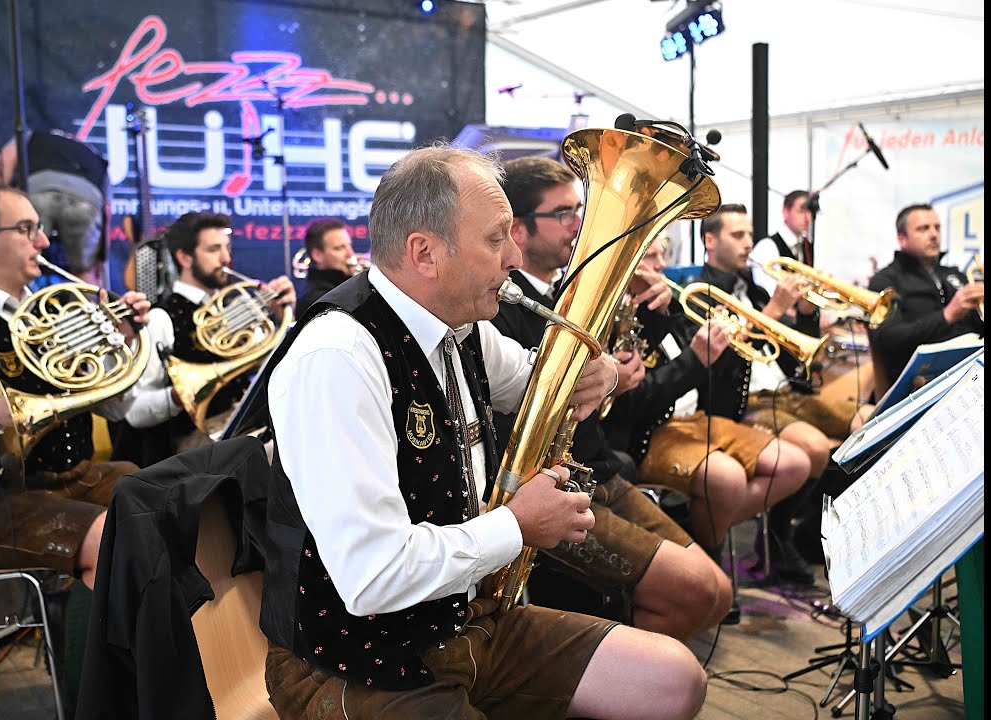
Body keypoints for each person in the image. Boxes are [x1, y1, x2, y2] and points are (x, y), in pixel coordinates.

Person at [255, 144, 707, 720]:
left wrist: (599, 375)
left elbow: (537, 382)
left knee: (674, 681)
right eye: (496, 239)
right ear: (425, 253)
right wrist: (517, 525)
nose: (514, 256)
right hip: (352, 659)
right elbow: (373, 576)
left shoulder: (460, 324)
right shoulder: (338, 356)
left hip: (466, 621)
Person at [493, 155, 730, 639]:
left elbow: (625, 393)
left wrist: (657, 318)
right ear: (518, 229)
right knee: (695, 592)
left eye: (578, 210)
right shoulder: (501, 305)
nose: (578, 225)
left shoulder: (568, 292)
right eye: (563, 213)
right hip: (550, 489)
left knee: (718, 591)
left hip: (597, 471)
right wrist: (605, 380)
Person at [0, 182, 159, 590]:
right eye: (26, 229)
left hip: (69, 481)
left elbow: (116, 409)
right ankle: (96, 632)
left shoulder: (53, 314)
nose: (43, 242)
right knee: (113, 538)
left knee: (165, 505)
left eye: (39, 228)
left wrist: (123, 341)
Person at [689, 203, 871, 584]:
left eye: (749, 234)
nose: (748, 243)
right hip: (747, 403)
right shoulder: (701, 292)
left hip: (786, 391)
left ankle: (812, 529)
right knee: (816, 448)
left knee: (869, 423)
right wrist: (772, 311)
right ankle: (778, 533)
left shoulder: (752, 290)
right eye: (737, 235)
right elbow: (717, 367)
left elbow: (794, 356)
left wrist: (804, 311)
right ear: (709, 241)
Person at [607, 235, 812, 570]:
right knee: (728, 480)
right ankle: (708, 558)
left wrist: (723, 343)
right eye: (651, 256)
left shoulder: (670, 306)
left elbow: (708, 374)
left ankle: (699, 536)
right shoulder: (620, 317)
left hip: (699, 418)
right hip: (653, 432)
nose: (661, 265)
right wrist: (698, 358)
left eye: (663, 255)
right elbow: (636, 402)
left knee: (793, 464)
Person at [108, 211, 296, 469]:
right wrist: (178, 396)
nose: (226, 258)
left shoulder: (230, 307)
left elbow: (276, 367)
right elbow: (135, 413)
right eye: (213, 249)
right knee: (288, 451)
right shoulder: (160, 319)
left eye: (227, 248)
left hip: (238, 430)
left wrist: (282, 316)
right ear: (184, 257)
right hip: (191, 446)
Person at [867, 202, 984, 388]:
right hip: (921, 384)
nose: (934, 234)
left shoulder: (954, 274)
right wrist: (947, 315)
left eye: (937, 227)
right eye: (923, 229)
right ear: (902, 239)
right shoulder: (885, 281)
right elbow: (890, 339)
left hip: (971, 372)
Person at [0, 128, 111, 285]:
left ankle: (17, 299)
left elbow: (3, 162)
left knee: (23, 262)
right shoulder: (94, 155)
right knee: (83, 273)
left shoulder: (33, 136)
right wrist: (99, 259)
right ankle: (87, 299)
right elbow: (107, 211)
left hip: (39, 192)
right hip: (86, 200)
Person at [750, 189, 813, 295]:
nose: (807, 218)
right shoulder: (767, 247)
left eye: (810, 211)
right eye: (801, 211)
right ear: (785, 211)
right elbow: (768, 294)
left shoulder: (807, 246)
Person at [296, 218, 359, 315]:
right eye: (339, 248)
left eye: (350, 246)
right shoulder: (317, 301)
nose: (351, 254)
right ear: (317, 255)